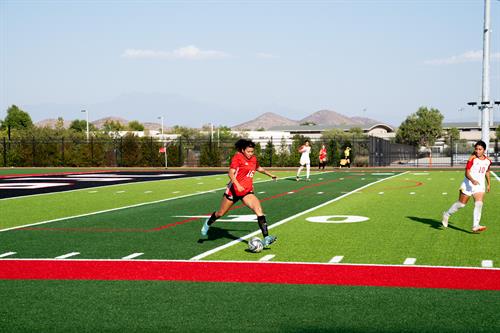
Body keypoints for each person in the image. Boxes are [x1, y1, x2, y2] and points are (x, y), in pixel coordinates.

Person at [201, 139, 278, 247]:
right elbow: (230, 173)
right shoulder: (237, 157)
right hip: (233, 191)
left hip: (247, 192)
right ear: (243, 150)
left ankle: (266, 238)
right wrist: (237, 185)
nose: (251, 154)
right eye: (249, 152)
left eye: (252, 152)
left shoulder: (254, 159)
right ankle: (208, 222)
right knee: (220, 213)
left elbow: (258, 168)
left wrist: (270, 174)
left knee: (259, 210)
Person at [442, 140, 491, 233]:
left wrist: (488, 184)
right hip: (468, 184)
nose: (477, 151)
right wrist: (472, 180)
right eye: (476, 149)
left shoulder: (488, 161)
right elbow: (466, 173)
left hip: (479, 186)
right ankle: (447, 214)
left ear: (484, 150)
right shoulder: (472, 159)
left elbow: (487, 171)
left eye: (480, 149)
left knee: (479, 203)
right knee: (461, 204)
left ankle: (475, 225)